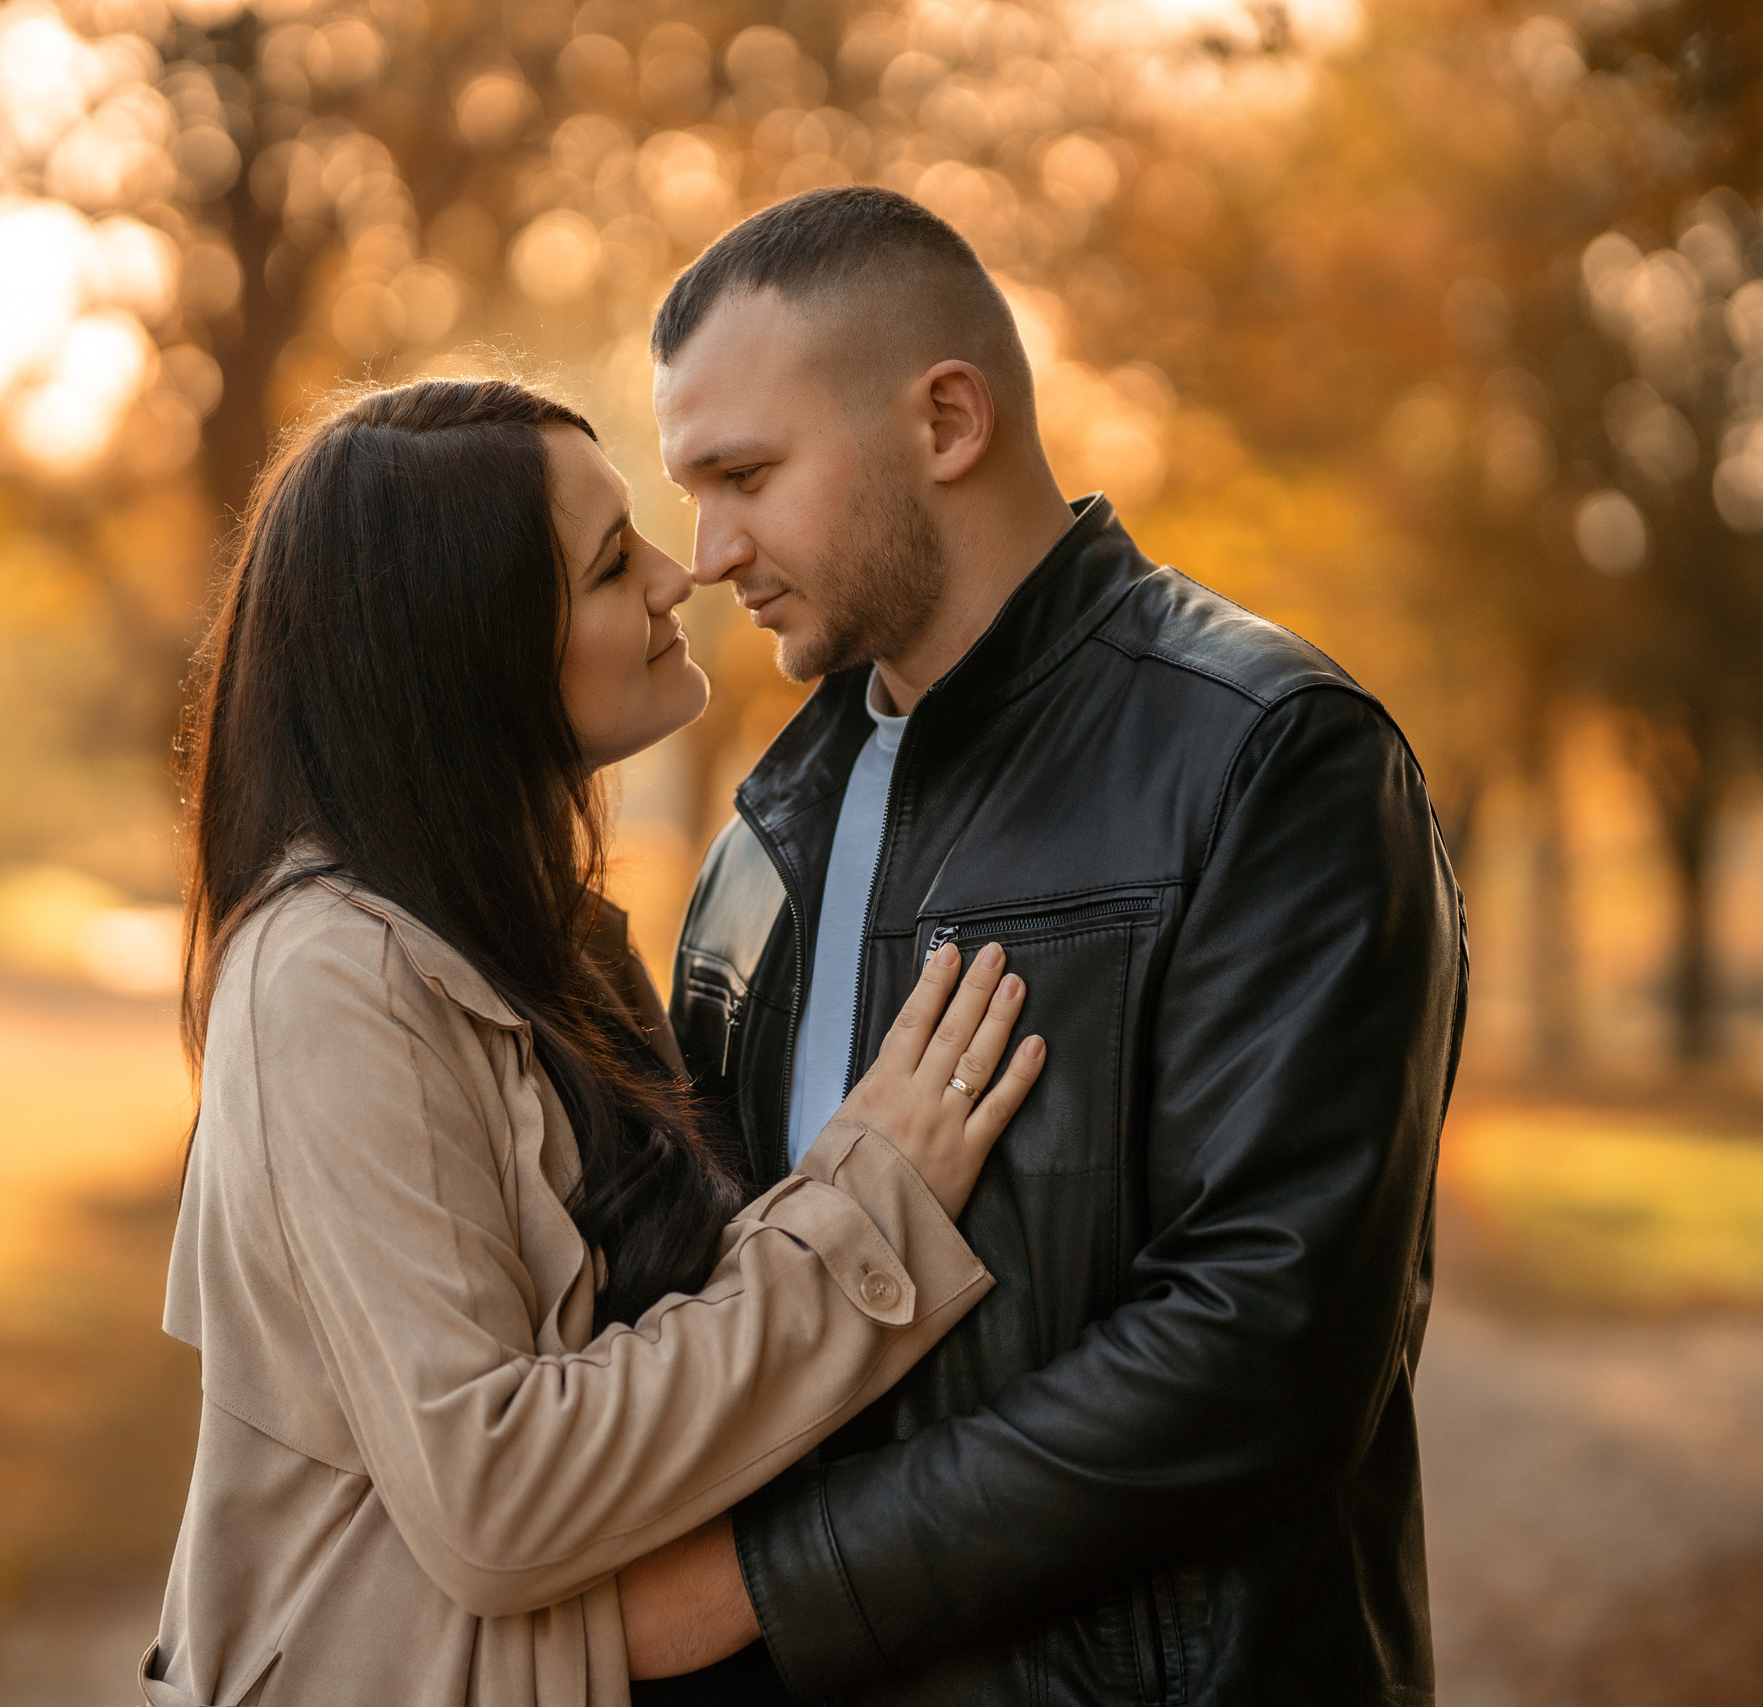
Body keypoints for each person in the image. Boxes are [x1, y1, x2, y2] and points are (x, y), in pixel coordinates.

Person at [627, 187, 1467, 1705]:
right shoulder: (766, 837)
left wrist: (767, 1587)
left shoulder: (1272, 759)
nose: (704, 552)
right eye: (692, 489)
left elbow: (1261, 1350)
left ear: (949, 419)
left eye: (744, 475)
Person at [144, 378, 1049, 1707]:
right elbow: (495, 1492)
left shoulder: (548, 945)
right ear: (465, 649)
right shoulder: (333, 981)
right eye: (614, 563)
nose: (684, 576)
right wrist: (870, 1209)